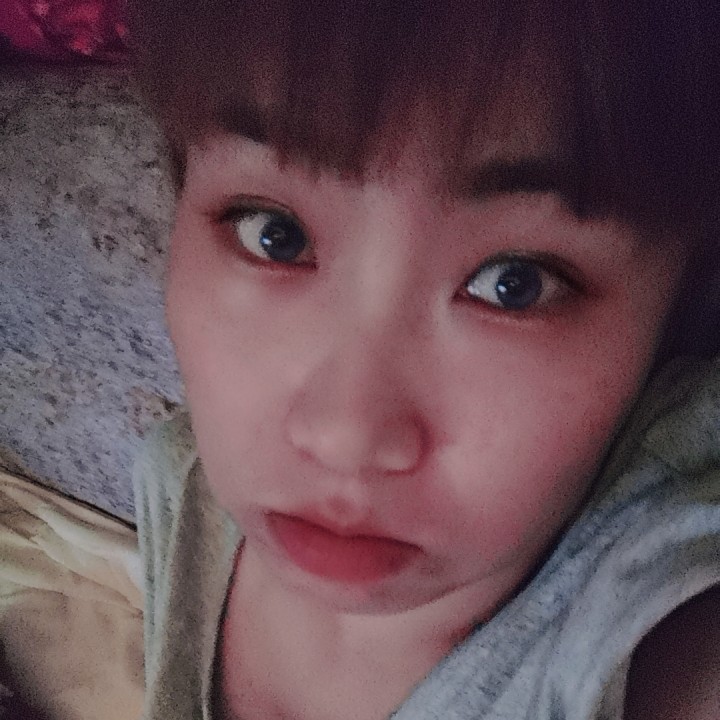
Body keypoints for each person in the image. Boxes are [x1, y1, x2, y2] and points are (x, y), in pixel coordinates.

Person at [128, 1, 720, 718]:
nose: (345, 437)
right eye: (274, 234)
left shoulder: (663, 636)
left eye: (514, 284)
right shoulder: (179, 479)